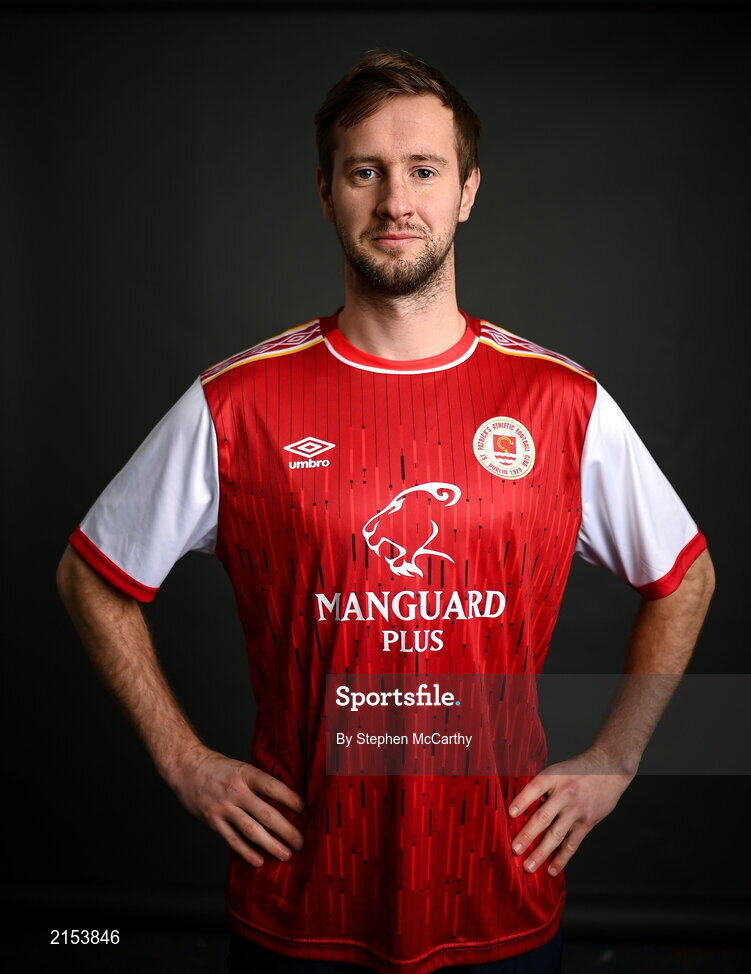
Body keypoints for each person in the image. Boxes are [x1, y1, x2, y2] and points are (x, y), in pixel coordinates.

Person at [56, 48, 715, 974]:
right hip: (298, 904)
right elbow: (90, 574)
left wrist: (615, 757)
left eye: (423, 171)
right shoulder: (238, 402)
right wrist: (183, 761)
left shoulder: (559, 403)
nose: (395, 201)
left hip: (502, 901)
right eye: (364, 171)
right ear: (326, 193)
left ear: (467, 192)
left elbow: (685, 577)